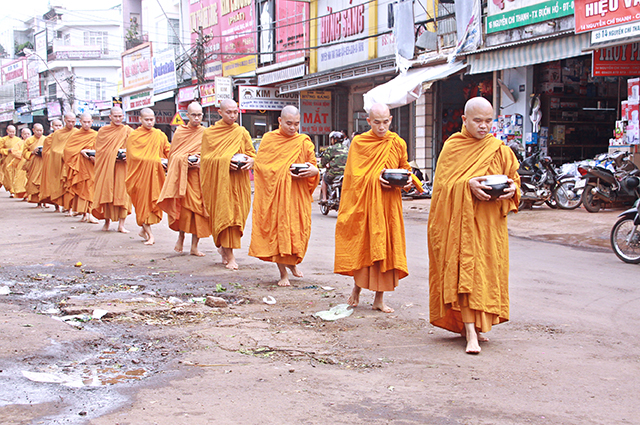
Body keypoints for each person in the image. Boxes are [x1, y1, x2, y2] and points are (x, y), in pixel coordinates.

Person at [428, 97, 520, 354]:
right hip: (461, 225)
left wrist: (512, 189)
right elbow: (442, 188)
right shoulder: (453, 147)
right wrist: (466, 185)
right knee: (464, 274)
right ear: (464, 120)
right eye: (477, 121)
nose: (483, 126)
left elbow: (514, 180)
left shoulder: (499, 149)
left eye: (488, 121)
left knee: (486, 274)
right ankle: (469, 332)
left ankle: (479, 325)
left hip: (491, 226)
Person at [334, 103, 414, 313]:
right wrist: (376, 177)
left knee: (386, 250)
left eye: (385, 121)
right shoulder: (360, 143)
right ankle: (356, 290)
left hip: (389, 206)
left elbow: (405, 168)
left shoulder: (397, 143)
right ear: (368, 121)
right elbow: (354, 177)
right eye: (376, 122)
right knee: (365, 249)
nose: (382, 127)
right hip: (366, 206)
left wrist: (407, 180)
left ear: (391, 120)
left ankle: (379, 299)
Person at [248, 105, 319, 286]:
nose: (293, 128)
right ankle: (283, 274)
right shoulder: (269, 139)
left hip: (297, 194)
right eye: (288, 123)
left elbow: (312, 166)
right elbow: (262, 166)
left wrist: (312, 171)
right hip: (276, 195)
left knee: (297, 231)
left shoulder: (304, 142)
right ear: (279, 121)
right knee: (279, 232)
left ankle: (293, 263)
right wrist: (283, 171)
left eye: (296, 124)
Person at [200, 99, 256, 270]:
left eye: (235, 112)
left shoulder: (241, 132)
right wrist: (225, 162)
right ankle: (230, 255)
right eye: (228, 112)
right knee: (225, 216)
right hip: (219, 184)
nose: (232, 115)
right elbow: (206, 159)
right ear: (220, 112)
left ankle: (225, 248)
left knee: (237, 217)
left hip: (238, 183)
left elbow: (251, 153)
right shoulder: (210, 134)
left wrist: (251, 160)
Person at [158, 102, 211, 256]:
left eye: (199, 115)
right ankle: (181, 237)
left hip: (199, 177)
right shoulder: (180, 132)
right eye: (193, 115)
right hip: (184, 177)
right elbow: (173, 155)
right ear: (187, 115)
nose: (196, 118)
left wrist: (201, 160)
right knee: (185, 211)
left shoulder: (205, 133)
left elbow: (209, 154)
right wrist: (185, 160)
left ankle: (194, 246)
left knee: (199, 213)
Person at [125, 108, 170, 245]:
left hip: (154, 176)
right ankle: (150, 235)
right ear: (140, 120)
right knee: (142, 205)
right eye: (147, 120)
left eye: (152, 119)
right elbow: (134, 156)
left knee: (152, 204)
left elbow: (167, 149)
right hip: (139, 176)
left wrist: (172, 160)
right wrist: (156, 160)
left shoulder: (159, 135)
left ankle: (144, 230)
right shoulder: (134, 136)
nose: (150, 122)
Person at [92, 106, 133, 233]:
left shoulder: (128, 130)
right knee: (107, 193)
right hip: (107, 167)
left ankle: (121, 225)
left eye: (120, 116)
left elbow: (133, 148)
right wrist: (113, 153)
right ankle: (106, 222)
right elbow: (100, 151)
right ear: (110, 117)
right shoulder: (103, 131)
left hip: (122, 167)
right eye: (115, 116)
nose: (118, 118)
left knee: (122, 194)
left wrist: (127, 155)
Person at [63, 113, 98, 223]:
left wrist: (91, 154)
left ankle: (90, 213)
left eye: (89, 122)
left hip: (91, 165)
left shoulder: (96, 135)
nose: (86, 124)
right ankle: (84, 213)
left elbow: (101, 149)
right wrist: (81, 152)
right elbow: (67, 151)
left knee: (91, 188)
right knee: (81, 187)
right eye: (84, 122)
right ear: (80, 122)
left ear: (92, 122)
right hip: (80, 166)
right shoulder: (76, 135)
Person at [40, 113, 77, 210]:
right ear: (65, 120)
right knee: (61, 184)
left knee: (70, 185)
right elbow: (53, 150)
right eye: (69, 121)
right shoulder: (57, 134)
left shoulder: (77, 133)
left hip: (71, 163)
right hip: (59, 163)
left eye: (73, 122)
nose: (71, 124)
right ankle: (60, 205)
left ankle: (70, 208)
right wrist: (62, 153)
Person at [38, 119, 64, 210]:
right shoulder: (48, 139)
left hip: (63, 164)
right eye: (56, 125)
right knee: (53, 185)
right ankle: (56, 206)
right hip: (52, 165)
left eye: (60, 125)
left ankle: (67, 207)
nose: (58, 127)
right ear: (52, 127)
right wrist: (57, 154)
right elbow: (46, 153)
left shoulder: (66, 137)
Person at [319, 130, 349, 204]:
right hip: (346, 173)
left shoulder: (331, 148)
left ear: (334, 140)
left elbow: (324, 161)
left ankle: (324, 199)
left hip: (334, 173)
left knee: (324, 178)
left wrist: (320, 165)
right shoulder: (347, 149)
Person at [22, 123, 46, 207]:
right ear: (33, 130)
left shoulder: (46, 139)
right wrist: (32, 152)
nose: (39, 132)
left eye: (41, 130)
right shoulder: (29, 140)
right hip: (34, 164)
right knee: (34, 183)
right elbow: (24, 153)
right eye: (37, 130)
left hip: (44, 163)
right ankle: (38, 202)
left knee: (44, 183)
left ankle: (45, 201)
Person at [0, 125, 21, 197]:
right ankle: (11, 190)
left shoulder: (18, 140)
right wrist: (7, 150)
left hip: (16, 159)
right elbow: (0, 149)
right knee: (8, 175)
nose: (12, 133)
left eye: (13, 132)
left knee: (16, 174)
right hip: (7, 159)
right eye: (10, 132)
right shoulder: (4, 140)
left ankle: (15, 190)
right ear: (7, 131)